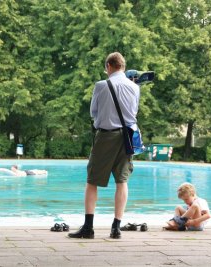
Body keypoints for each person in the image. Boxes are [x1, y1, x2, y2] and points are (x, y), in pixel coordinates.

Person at [68, 52, 139, 239]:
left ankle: (88, 228)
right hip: (128, 137)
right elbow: (133, 112)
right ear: (122, 67)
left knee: (92, 181)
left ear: (109, 66)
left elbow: (93, 112)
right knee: (122, 181)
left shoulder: (101, 85)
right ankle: (116, 228)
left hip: (106, 136)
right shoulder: (135, 87)